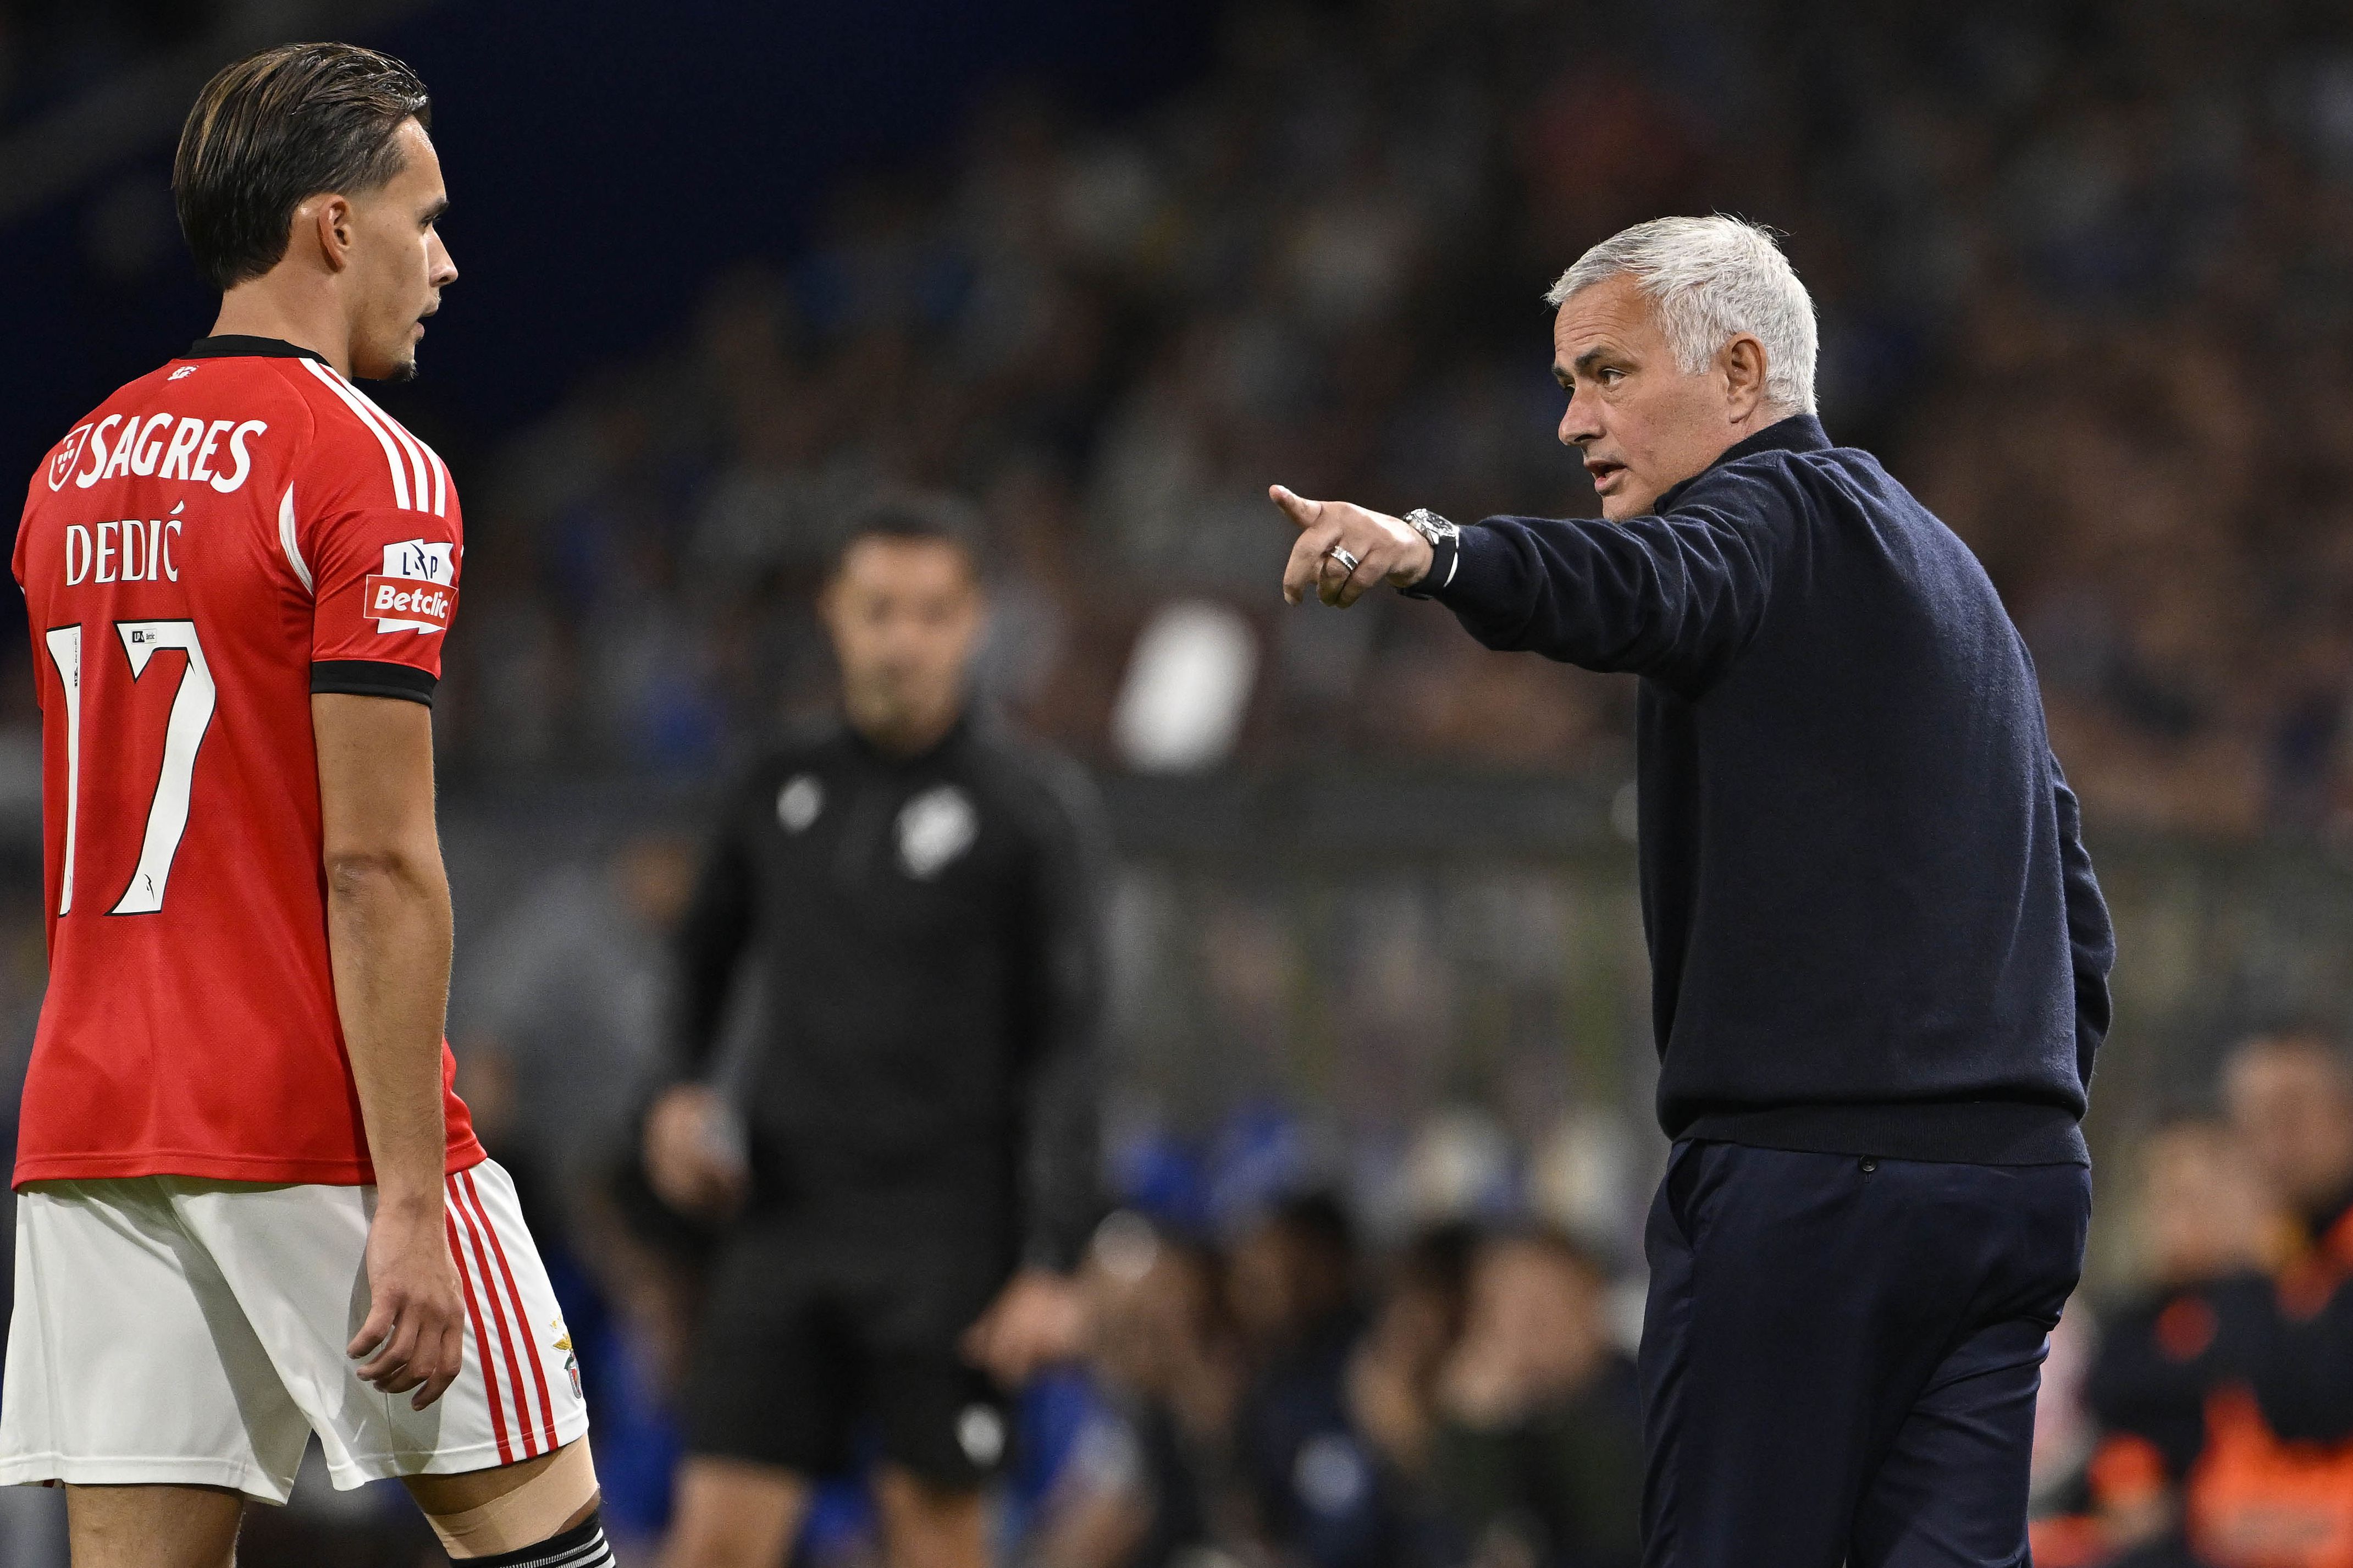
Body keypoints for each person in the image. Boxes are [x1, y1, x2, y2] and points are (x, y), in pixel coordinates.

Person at [1268, 215, 2113, 1567]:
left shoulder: (1756, 523)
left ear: (1737, 374)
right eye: (1566, 380)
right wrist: (2005, 1101)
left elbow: (1641, 589)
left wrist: (1437, 551)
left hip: (1815, 1189)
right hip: (2009, 1190)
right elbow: (2071, 895)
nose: (1568, 420)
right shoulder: (1949, 571)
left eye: (1605, 374)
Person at [1, 42, 604, 1568]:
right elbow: (377, 861)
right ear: (335, 228)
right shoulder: (371, 470)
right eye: (425, 216)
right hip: (305, 1115)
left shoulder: (69, 470)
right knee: (554, 1550)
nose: (447, 260)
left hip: (93, 1123)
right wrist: (412, 1196)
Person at [643, 499, 1108, 1568]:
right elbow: (699, 958)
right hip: (787, 1219)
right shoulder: (776, 782)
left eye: (933, 611)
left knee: (937, 1539)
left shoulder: (1032, 809)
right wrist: (676, 1091)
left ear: (976, 621)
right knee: (713, 1540)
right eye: (881, 609)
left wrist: (1052, 1257)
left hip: (951, 1240)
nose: (906, 637)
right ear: (835, 615)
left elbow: (1072, 1038)